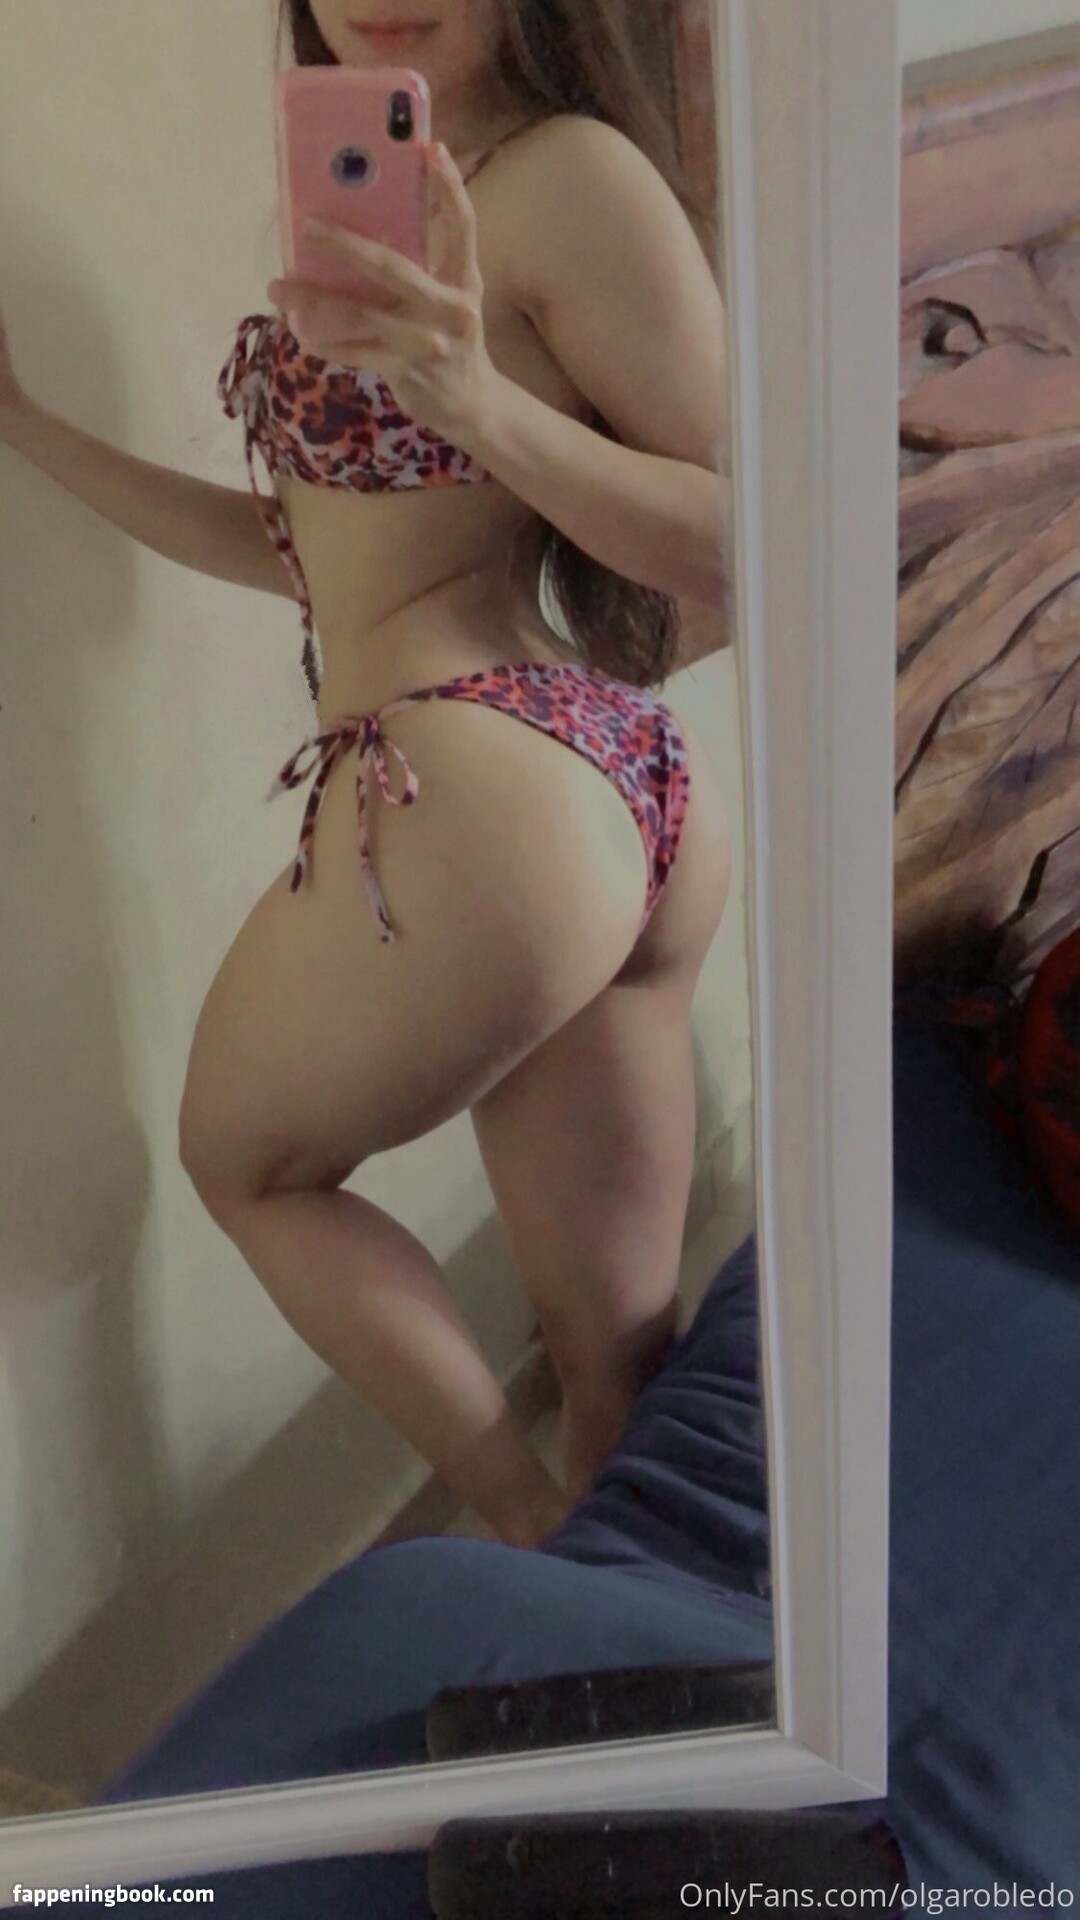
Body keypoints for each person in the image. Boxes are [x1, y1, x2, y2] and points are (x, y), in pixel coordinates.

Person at [0, 0, 732, 1549]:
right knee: (616, 1373)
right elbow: (308, 555)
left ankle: (518, 1526)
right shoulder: (407, 192)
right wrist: (34, 432)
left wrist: (477, 398)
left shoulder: (570, 173)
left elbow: (748, 542)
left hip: (491, 790)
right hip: (587, 789)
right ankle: (648, 1625)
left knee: (243, 1165)